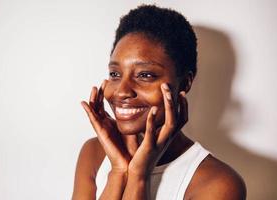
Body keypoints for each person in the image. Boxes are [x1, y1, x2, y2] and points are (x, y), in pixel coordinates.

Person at [72, 4, 246, 200]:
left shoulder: (218, 183)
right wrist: (118, 172)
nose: (122, 91)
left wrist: (139, 175)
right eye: (115, 74)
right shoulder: (94, 153)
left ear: (185, 83)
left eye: (145, 74)